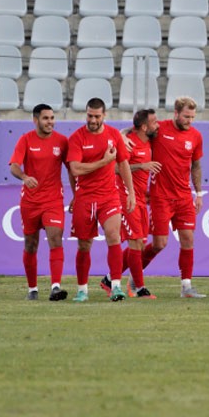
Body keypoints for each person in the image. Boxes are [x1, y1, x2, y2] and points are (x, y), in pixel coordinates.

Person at [67, 97, 135, 302]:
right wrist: (104, 161)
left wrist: (131, 192)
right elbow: (76, 169)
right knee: (84, 245)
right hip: (85, 198)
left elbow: (123, 164)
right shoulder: (77, 138)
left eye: (97, 116)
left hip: (109, 196)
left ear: (104, 115)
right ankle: (82, 290)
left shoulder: (114, 135)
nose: (93, 119)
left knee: (113, 237)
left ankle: (115, 286)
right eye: (90, 115)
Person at [9, 104, 75, 301]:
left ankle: (56, 286)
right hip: (30, 202)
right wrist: (24, 177)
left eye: (52, 118)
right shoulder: (26, 139)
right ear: (35, 120)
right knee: (31, 244)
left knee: (55, 239)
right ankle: (32, 289)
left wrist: (77, 194)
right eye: (46, 118)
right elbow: (14, 166)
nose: (50, 122)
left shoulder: (62, 141)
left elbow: (72, 168)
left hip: (53, 200)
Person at [144, 97, 206, 298]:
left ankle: (186, 287)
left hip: (184, 197)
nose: (189, 121)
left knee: (188, 239)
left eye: (192, 117)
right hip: (161, 196)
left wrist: (198, 193)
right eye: (186, 116)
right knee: (159, 244)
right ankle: (127, 277)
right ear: (176, 113)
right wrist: (123, 135)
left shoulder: (195, 136)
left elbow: (195, 165)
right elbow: (136, 132)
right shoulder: (159, 129)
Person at [99, 109, 161, 299]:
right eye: (154, 122)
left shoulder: (148, 140)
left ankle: (109, 279)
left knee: (140, 244)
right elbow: (116, 168)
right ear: (144, 127)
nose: (157, 124)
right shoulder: (129, 143)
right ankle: (139, 288)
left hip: (141, 198)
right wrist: (141, 166)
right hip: (125, 196)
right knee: (135, 243)